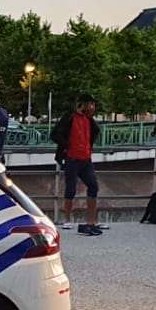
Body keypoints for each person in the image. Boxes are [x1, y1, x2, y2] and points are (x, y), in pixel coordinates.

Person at [50, 93, 104, 236]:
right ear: (81, 104)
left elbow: (94, 132)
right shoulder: (69, 117)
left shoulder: (89, 120)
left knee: (93, 186)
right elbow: (54, 134)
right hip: (72, 158)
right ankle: (67, 220)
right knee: (71, 188)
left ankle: (91, 221)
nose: (92, 108)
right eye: (89, 104)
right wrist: (67, 146)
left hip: (85, 158)